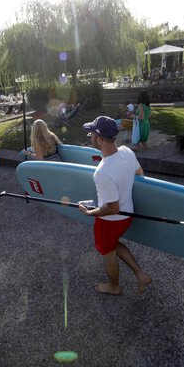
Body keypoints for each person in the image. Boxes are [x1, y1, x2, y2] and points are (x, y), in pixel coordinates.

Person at [78, 116, 151, 295]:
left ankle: (114, 286)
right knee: (113, 244)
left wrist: (90, 213)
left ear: (100, 139)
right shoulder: (127, 152)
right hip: (128, 214)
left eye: (91, 135)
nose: (90, 137)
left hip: (110, 220)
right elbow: (140, 173)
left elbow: (112, 208)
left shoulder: (102, 172)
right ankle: (141, 275)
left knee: (107, 252)